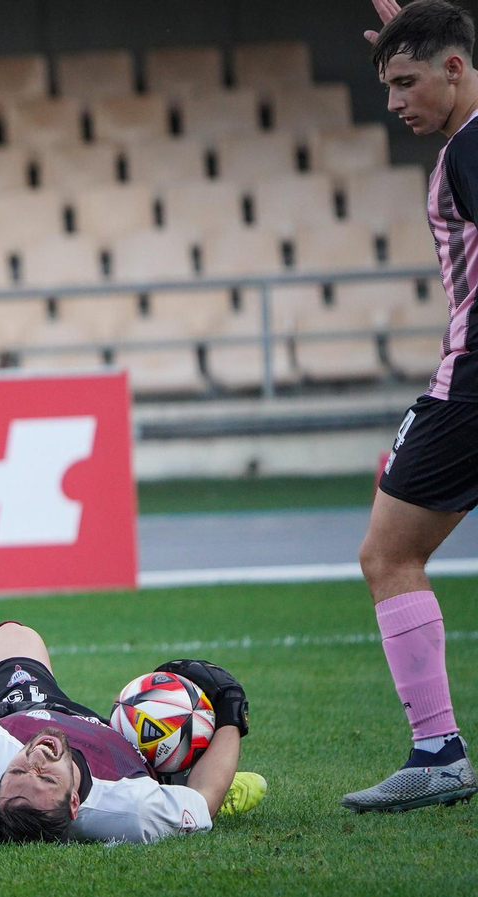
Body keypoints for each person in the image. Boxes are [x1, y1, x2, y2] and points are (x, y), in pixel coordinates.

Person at [345, 0, 478, 812]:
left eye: (407, 81)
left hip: (471, 387)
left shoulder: (468, 151)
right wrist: (419, 31)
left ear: (456, 70)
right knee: (389, 496)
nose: (395, 101)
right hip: (459, 384)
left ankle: (438, 750)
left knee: (387, 554)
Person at [0, 621, 265, 843]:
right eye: (46, 777)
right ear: (75, 802)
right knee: (181, 751)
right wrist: (232, 709)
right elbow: (203, 801)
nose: (37, 759)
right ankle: (170, 777)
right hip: (120, 749)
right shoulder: (132, 809)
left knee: (15, 633)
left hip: (24, 711)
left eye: (18, 773)